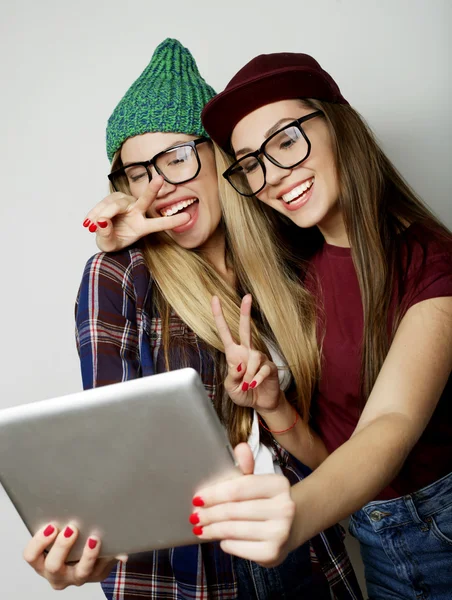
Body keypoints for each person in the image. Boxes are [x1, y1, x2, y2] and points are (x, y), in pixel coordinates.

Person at [22, 40, 363, 600]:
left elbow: (337, 457)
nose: (160, 187)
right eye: (137, 173)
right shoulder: (119, 278)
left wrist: (273, 404)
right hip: (185, 578)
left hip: (305, 554)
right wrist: (85, 552)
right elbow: (114, 459)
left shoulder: (293, 261)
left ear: (221, 158)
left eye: (178, 157)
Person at [189, 51, 452, 599]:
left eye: (286, 140)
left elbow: (391, 425)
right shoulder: (299, 279)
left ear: (338, 126)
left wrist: (291, 515)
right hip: (378, 547)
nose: (273, 175)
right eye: (251, 163)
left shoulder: (434, 263)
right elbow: (339, 456)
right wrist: (274, 407)